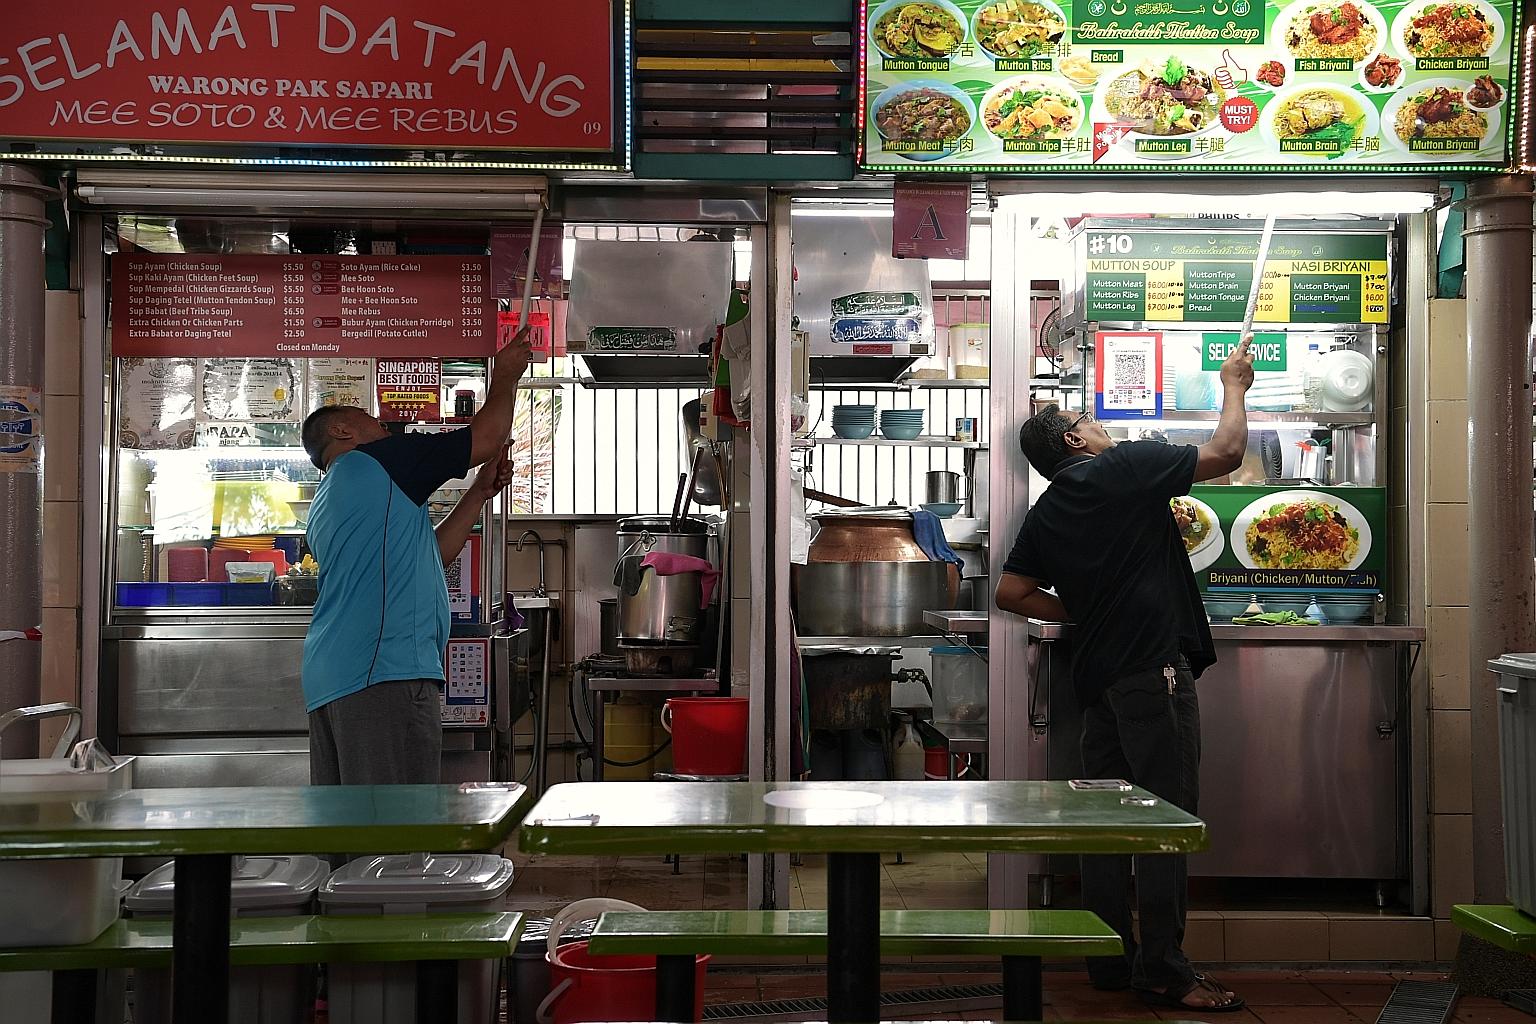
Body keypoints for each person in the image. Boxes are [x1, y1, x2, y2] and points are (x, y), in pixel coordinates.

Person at [994, 337, 1255, 1013]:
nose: (1104, 428)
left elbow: (1012, 593)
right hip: (1152, 672)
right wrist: (1234, 386)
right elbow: (1226, 455)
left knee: (1104, 819)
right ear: (1075, 441)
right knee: (1165, 818)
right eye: (1092, 423)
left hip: (1099, 679)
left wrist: (1083, 614)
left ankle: (1110, 960)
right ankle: (1166, 970)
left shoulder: (1047, 511)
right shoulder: (1128, 468)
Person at [300, 328, 533, 786]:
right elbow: (485, 437)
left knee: (351, 828)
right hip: (381, 673)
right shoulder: (378, 460)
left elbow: (433, 554)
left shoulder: (337, 495)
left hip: (340, 675)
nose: (383, 425)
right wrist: (503, 377)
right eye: (368, 416)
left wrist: (478, 494)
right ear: (343, 431)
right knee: (392, 831)